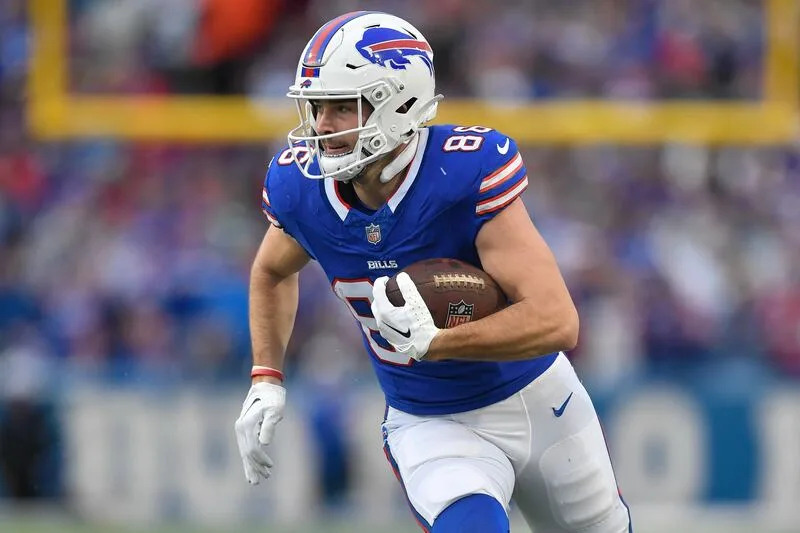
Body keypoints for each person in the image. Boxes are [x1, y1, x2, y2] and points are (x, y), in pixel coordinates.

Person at [234, 11, 633, 533]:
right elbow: (270, 272)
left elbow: (558, 321)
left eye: (340, 106)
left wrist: (439, 340)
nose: (322, 126)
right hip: (430, 421)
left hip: (539, 403)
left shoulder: (461, 173)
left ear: (397, 102)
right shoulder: (302, 189)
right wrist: (267, 377)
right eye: (315, 107)